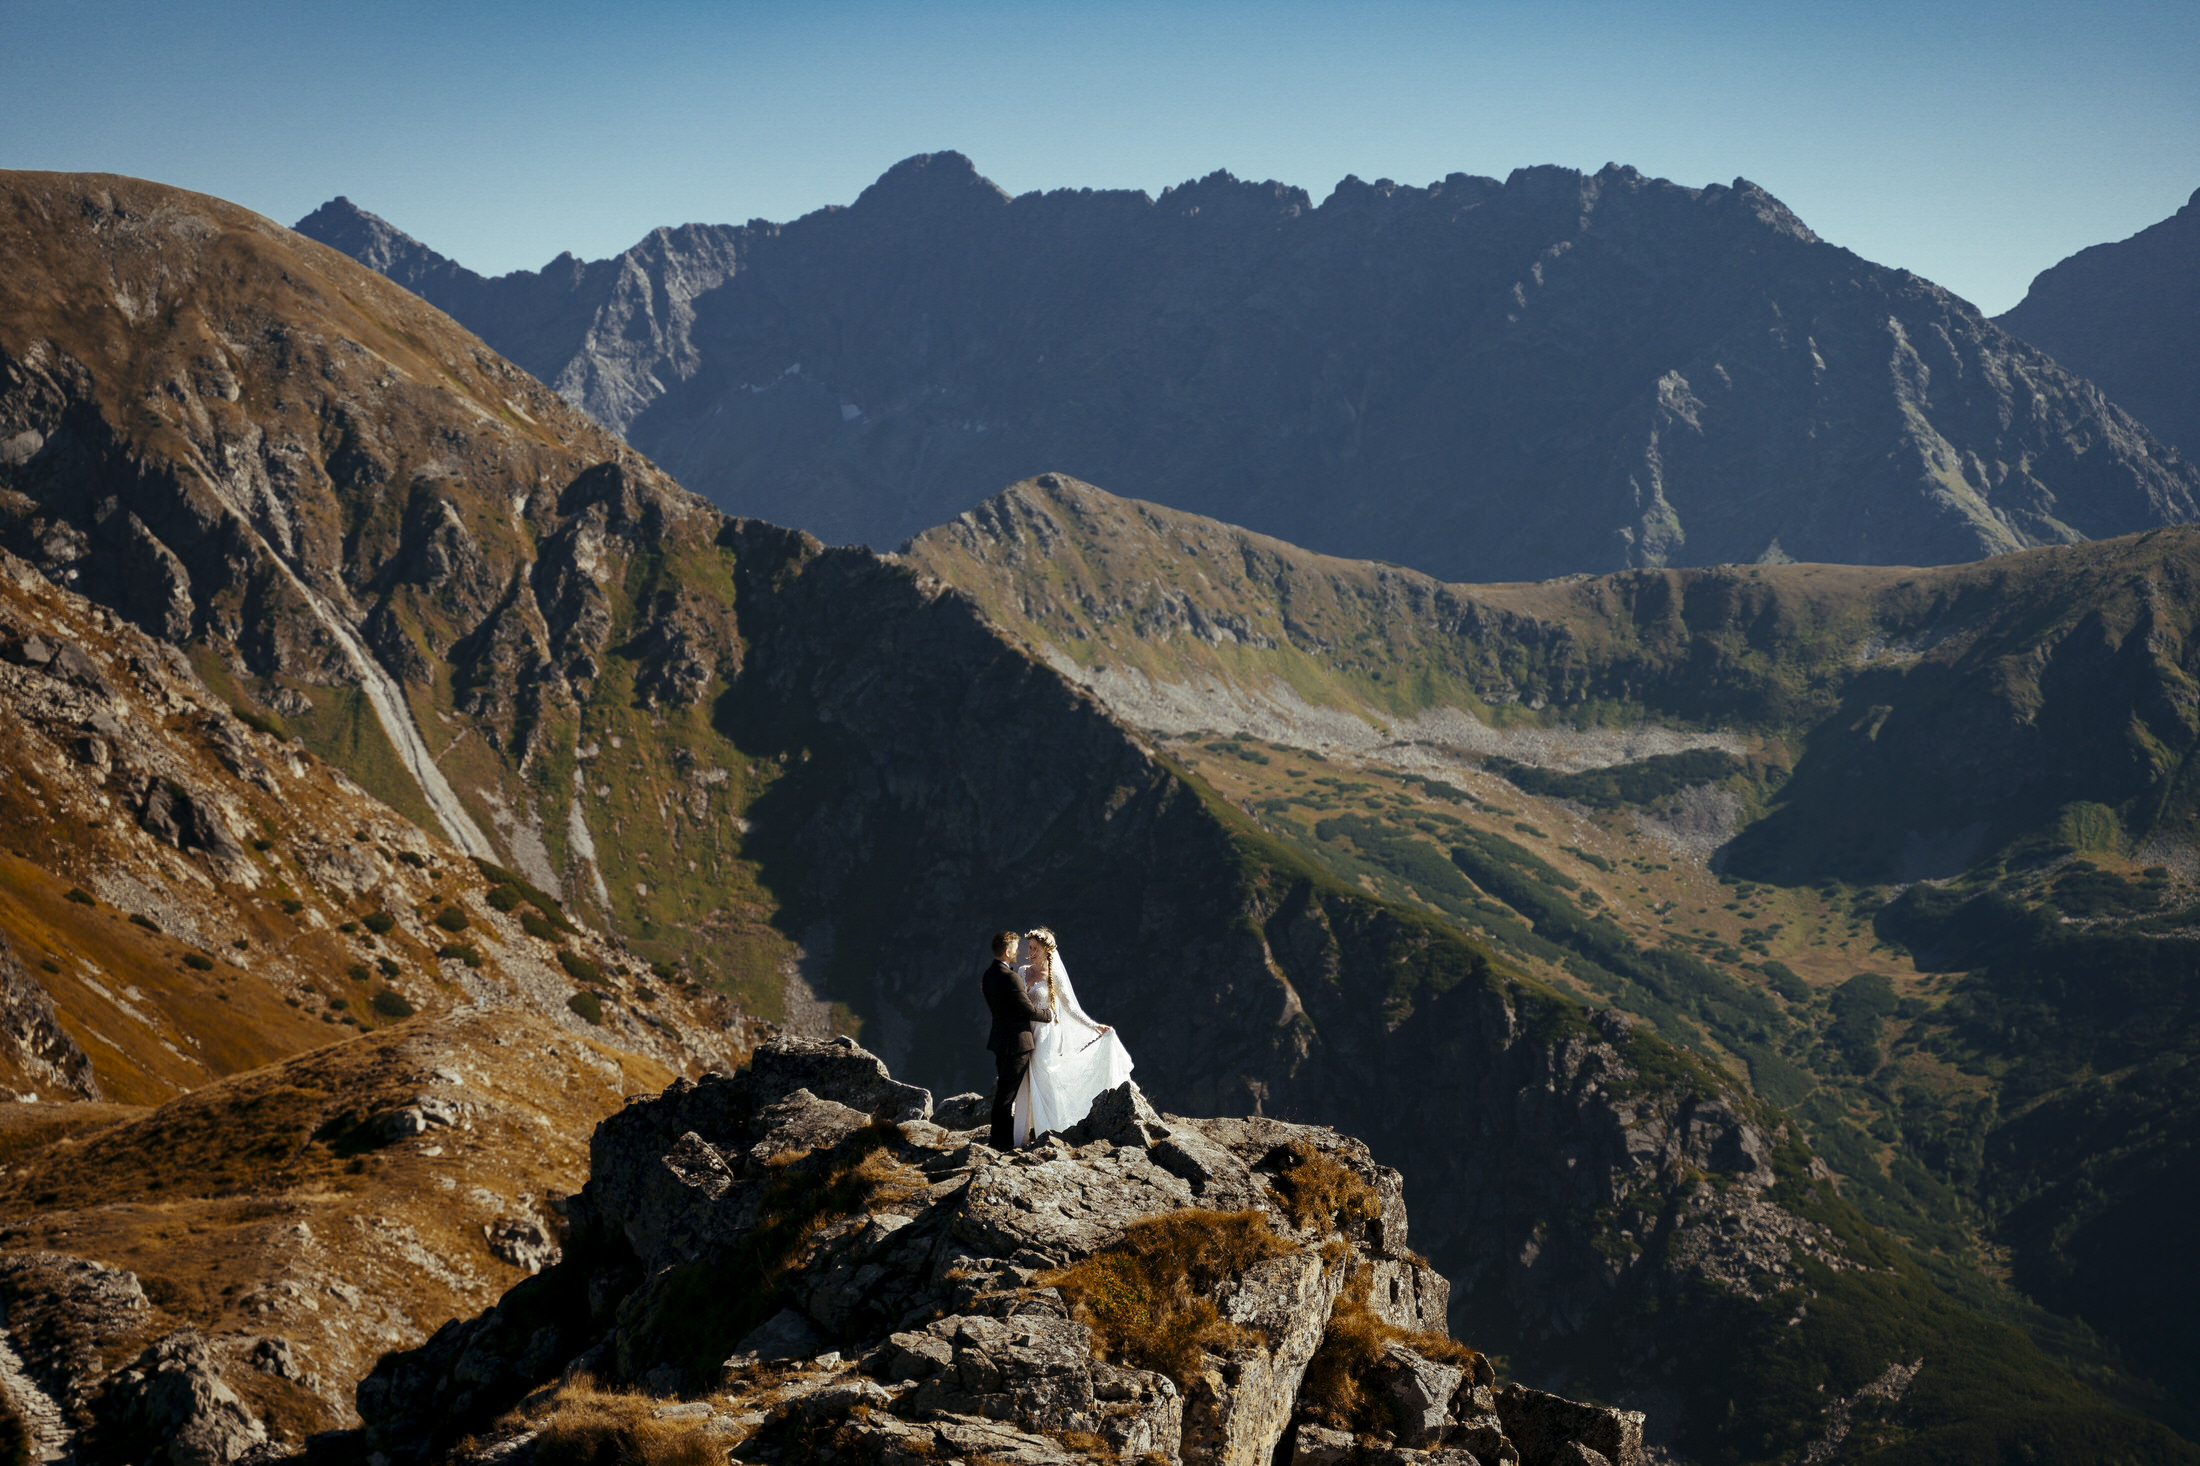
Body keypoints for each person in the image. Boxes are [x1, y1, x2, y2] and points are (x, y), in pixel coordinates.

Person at [1016, 926, 1136, 1143]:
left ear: (1046, 951)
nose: (1031, 952)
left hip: (1045, 1034)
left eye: (1036, 949)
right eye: (1030, 948)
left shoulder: (1054, 977)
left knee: (1044, 1075)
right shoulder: (1022, 971)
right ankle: (1027, 1130)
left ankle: (1050, 1130)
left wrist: (1094, 1026)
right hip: (1026, 1032)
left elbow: (1071, 1008)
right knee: (1027, 1077)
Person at [981, 928, 1052, 1150]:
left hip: (1000, 1039)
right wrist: (1048, 1015)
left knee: (1004, 1091)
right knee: (1006, 1095)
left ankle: (1003, 1137)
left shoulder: (989, 974)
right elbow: (1026, 1009)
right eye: (1014, 947)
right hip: (1016, 1043)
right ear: (1005, 950)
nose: (1018, 951)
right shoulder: (1011, 977)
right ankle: (1001, 1141)